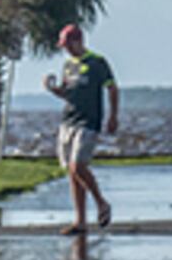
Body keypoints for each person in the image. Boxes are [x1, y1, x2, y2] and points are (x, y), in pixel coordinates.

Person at [46, 23, 118, 233]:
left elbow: (112, 88)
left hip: (89, 122)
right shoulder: (69, 65)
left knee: (78, 166)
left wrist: (113, 116)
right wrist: (53, 90)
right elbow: (68, 93)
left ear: (79, 41)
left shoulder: (97, 62)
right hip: (69, 120)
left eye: (68, 44)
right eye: (64, 45)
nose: (66, 49)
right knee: (71, 170)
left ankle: (101, 203)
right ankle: (80, 220)